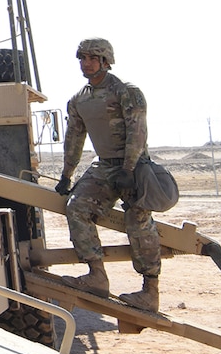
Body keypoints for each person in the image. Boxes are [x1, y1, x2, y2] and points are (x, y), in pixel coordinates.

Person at [54, 37, 161, 311]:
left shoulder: (126, 92)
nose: (85, 63)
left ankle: (150, 292)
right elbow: (74, 139)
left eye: (91, 58)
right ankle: (97, 276)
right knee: (76, 208)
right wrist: (67, 175)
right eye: (82, 58)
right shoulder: (79, 100)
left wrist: (128, 170)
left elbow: (138, 132)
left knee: (138, 220)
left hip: (134, 164)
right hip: (104, 167)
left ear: (105, 61)